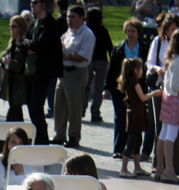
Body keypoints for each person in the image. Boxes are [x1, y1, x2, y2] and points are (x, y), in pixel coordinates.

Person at [52, 5, 96, 149]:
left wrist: (67, 55)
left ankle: (74, 137)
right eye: (68, 17)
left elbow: (84, 57)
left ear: (82, 18)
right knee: (59, 106)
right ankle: (59, 135)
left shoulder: (87, 34)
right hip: (63, 72)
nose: (69, 20)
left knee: (74, 107)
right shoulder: (68, 33)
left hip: (76, 73)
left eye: (73, 17)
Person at [105, 19, 148, 159]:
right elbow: (111, 70)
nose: (130, 34)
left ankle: (132, 150)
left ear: (138, 33)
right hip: (120, 89)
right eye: (128, 30)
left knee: (135, 120)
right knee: (120, 118)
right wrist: (106, 88)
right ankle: (118, 149)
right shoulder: (118, 48)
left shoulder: (143, 48)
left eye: (133, 31)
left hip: (137, 89)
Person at [22, 0, 63, 145]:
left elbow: (41, 45)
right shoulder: (34, 24)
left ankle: (41, 144)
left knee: (36, 110)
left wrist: (30, 46)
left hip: (42, 73)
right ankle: (41, 141)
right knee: (32, 110)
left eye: (34, 2)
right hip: (29, 73)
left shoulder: (50, 24)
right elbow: (23, 42)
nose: (31, 5)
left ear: (43, 4)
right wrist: (29, 46)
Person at [117, 58, 163, 177]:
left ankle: (137, 167)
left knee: (137, 140)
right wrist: (154, 93)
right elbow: (142, 97)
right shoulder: (135, 82)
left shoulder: (129, 81)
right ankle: (124, 168)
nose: (143, 71)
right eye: (142, 69)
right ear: (136, 70)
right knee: (132, 141)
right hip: (136, 115)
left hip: (135, 114)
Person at [146, 14, 179, 165]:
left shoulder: (178, 53)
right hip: (162, 88)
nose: (171, 32)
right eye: (168, 30)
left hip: (172, 90)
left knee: (173, 131)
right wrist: (158, 69)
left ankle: (174, 163)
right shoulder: (159, 42)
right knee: (162, 128)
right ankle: (160, 164)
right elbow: (150, 63)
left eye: (174, 29)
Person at [155, 28, 179, 182]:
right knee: (171, 135)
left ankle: (160, 167)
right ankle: (169, 170)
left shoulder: (171, 58)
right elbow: (175, 84)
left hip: (168, 98)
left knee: (164, 134)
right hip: (175, 100)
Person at [83, 6, 113, 124]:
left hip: (88, 60)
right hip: (101, 61)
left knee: (86, 87)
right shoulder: (103, 30)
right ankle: (95, 112)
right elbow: (110, 47)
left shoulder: (86, 30)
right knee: (99, 88)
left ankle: (82, 109)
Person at [0, 15, 28, 123]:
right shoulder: (12, 42)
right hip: (11, 81)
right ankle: (22, 134)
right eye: (10, 26)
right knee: (17, 112)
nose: (11, 28)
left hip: (20, 83)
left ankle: (9, 134)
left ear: (21, 27)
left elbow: (23, 66)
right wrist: (3, 57)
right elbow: (5, 53)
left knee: (13, 113)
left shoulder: (24, 44)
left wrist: (10, 63)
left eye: (14, 26)